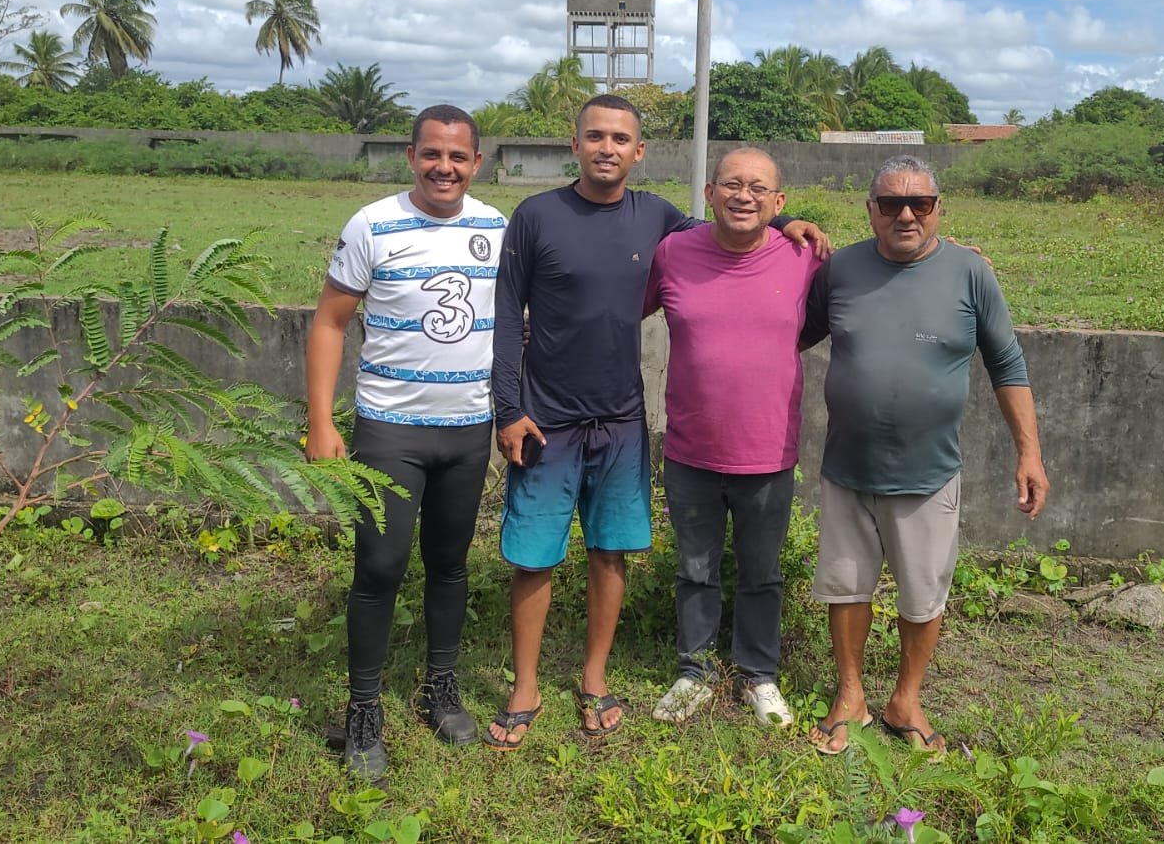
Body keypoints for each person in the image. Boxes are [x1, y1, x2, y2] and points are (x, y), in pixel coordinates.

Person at [486, 95, 827, 750]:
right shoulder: (535, 215)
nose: (607, 147)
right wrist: (509, 406)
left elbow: (730, 227)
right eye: (595, 135)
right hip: (544, 417)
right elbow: (505, 313)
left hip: (619, 419)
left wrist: (792, 225)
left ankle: (594, 677)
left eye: (620, 138)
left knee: (610, 550)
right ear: (575, 143)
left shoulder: (660, 221)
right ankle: (525, 683)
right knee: (533, 556)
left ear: (639, 152)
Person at [799, 155, 1049, 756]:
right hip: (848, 468)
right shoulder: (839, 270)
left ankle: (905, 699)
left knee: (922, 594)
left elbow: (1006, 363)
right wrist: (787, 232)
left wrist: (1030, 453)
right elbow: (791, 332)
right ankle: (851, 695)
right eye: (890, 204)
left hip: (928, 473)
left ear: (940, 209)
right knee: (847, 586)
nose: (905, 214)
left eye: (921, 204)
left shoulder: (969, 273)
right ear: (870, 210)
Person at [304, 104, 502, 779]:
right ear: (410, 156)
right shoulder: (372, 224)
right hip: (390, 429)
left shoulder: (497, 229)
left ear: (476, 163)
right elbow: (331, 322)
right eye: (431, 154)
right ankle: (363, 711)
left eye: (457, 156)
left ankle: (439, 689)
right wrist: (322, 420)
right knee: (381, 566)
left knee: (449, 564)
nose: (443, 167)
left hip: (468, 428)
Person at [643, 147, 819, 729]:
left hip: (767, 451)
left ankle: (758, 675)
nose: (744, 196)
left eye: (758, 188)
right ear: (709, 194)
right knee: (695, 568)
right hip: (691, 448)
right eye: (732, 185)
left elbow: (882, 271)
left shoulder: (802, 254)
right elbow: (616, 308)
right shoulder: (674, 253)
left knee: (761, 573)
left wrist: (951, 259)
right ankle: (694, 671)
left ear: (778, 202)